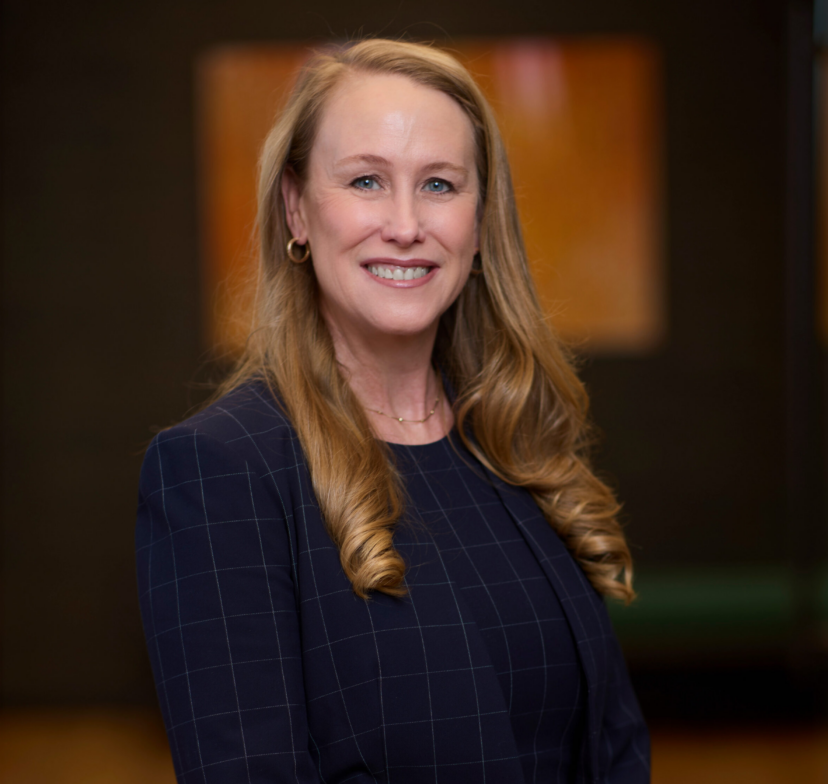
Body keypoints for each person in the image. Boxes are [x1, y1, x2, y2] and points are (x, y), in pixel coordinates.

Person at [135, 38, 650, 784]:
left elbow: (614, 748)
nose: (406, 224)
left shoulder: (514, 444)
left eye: (440, 185)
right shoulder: (222, 471)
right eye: (367, 181)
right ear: (297, 208)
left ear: (480, 224)